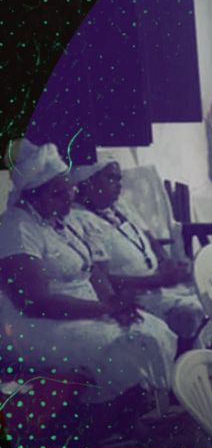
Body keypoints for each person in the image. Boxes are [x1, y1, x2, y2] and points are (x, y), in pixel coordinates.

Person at [0, 141, 177, 411]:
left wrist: (114, 306)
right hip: (35, 326)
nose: (68, 198)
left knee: (152, 330)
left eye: (68, 189)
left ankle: (140, 415)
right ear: (32, 196)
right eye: (57, 193)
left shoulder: (62, 222)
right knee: (122, 347)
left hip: (85, 313)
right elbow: (35, 302)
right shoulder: (16, 227)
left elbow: (93, 271)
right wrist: (103, 309)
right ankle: (102, 428)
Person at [67, 154, 205, 349]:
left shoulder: (120, 206)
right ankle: (187, 365)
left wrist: (167, 263)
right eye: (111, 178)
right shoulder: (78, 220)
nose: (118, 185)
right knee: (191, 312)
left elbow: (152, 242)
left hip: (160, 286)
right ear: (88, 183)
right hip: (132, 297)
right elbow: (101, 279)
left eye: (119, 179)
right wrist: (155, 281)